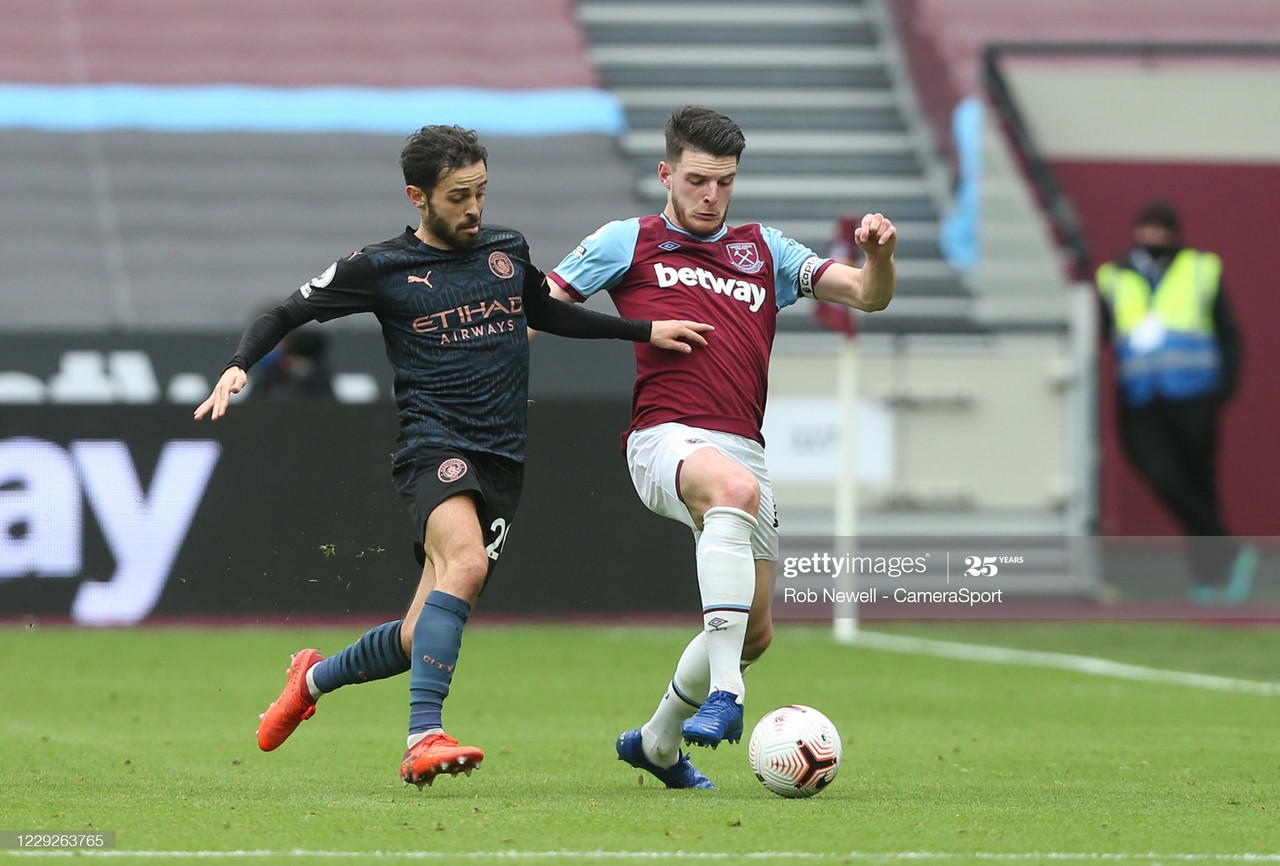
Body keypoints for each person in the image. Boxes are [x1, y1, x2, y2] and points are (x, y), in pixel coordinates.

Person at [193, 124, 712, 788]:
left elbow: (545, 312)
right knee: (463, 562)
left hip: (504, 461)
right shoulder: (379, 268)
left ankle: (312, 679)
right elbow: (284, 313)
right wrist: (238, 366)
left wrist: (641, 330)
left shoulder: (503, 249)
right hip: (432, 445)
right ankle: (422, 737)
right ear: (419, 197)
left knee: (419, 635)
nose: (474, 209)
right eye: (459, 196)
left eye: (482, 192)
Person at [546, 106, 896, 788]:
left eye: (725, 183)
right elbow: (543, 302)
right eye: (699, 180)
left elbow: (865, 296)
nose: (711, 196)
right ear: (666, 173)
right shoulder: (630, 240)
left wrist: (878, 257)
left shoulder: (763, 249)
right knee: (731, 497)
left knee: (754, 629)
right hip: (663, 437)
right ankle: (727, 694)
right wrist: (632, 332)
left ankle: (656, 741)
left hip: (745, 448)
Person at [1095, 200, 1257, 605]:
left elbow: (1228, 334)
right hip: (1139, 397)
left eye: (1161, 229)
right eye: (1147, 228)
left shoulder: (1201, 269)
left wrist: (1224, 389)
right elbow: (1102, 332)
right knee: (1164, 476)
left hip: (1194, 395)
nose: (1154, 237)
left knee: (1201, 487)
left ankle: (1207, 575)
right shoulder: (1113, 275)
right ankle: (1226, 550)